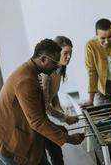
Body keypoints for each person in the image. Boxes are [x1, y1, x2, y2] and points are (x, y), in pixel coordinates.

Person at [0, 39, 85, 165]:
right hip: (10, 144)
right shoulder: (26, 80)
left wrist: (60, 131)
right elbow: (37, 122)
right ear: (43, 59)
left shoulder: (30, 71)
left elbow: (38, 115)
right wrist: (69, 139)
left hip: (20, 137)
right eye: (55, 62)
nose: (57, 65)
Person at [41, 36, 79, 165]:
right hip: (33, 122)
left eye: (70, 53)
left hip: (41, 118)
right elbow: (45, 106)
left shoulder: (59, 69)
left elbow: (54, 96)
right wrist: (64, 118)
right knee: (45, 156)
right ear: (56, 53)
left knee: (57, 155)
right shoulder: (46, 74)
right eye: (65, 53)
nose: (68, 57)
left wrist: (64, 114)